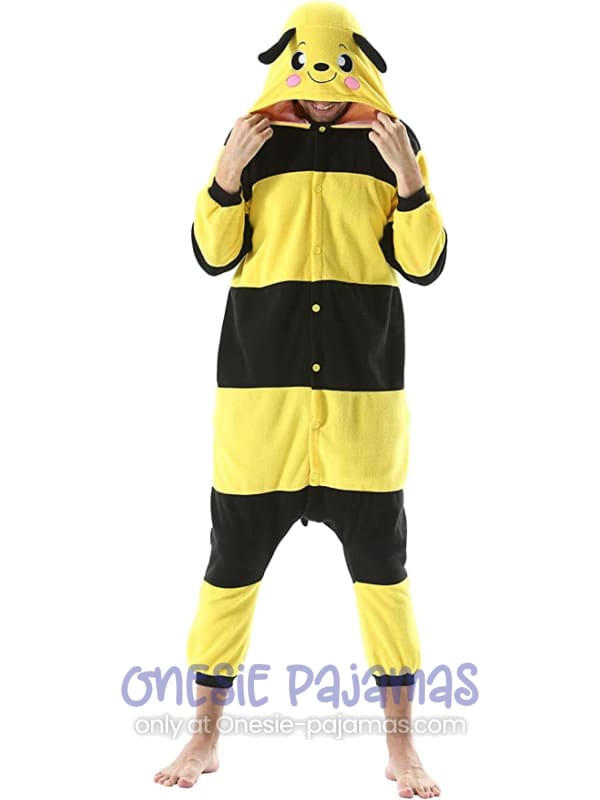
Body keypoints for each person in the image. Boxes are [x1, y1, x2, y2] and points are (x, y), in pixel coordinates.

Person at [154, 2, 447, 795]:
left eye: (337, 68)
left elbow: (424, 264)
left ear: (360, 65)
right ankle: (203, 739)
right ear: (286, 63)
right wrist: (225, 176)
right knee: (228, 575)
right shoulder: (252, 140)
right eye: (308, 69)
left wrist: (411, 181)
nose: (321, 87)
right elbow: (213, 253)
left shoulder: (392, 142)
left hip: (360, 409)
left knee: (385, 580)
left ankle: (402, 748)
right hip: (262, 407)